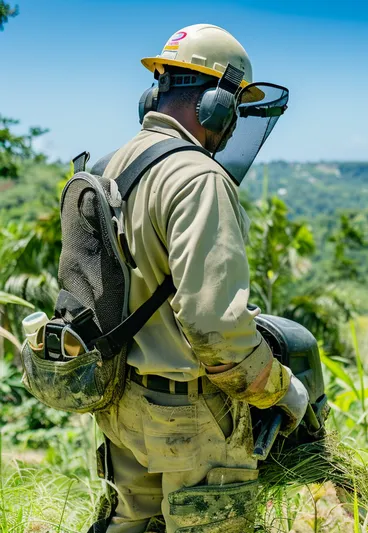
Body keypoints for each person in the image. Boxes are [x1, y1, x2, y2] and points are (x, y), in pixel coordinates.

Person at [92, 23, 307, 533]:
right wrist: (283, 390)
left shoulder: (107, 167)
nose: (232, 123)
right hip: (189, 418)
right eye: (234, 104)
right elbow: (217, 332)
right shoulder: (198, 178)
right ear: (216, 103)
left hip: (122, 405)